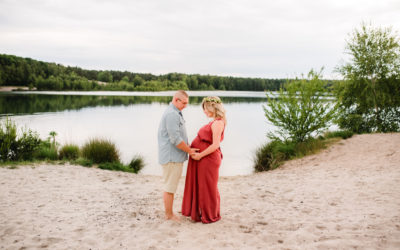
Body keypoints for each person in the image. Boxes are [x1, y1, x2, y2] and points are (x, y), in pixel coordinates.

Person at [181, 96, 226, 223]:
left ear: (213, 107)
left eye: (205, 109)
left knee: (208, 188)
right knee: (202, 187)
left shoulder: (218, 123)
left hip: (208, 159)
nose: (204, 111)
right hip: (203, 159)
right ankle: (199, 211)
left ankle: (210, 214)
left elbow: (215, 145)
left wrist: (200, 155)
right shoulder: (214, 121)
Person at [158, 90, 198, 221]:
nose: (186, 106)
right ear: (176, 100)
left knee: (170, 185)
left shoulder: (175, 112)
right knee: (170, 187)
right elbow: (175, 139)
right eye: (184, 103)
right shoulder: (172, 114)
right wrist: (190, 151)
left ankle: (169, 213)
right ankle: (169, 215)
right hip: (171, 157)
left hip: (173, 156)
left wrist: (188, 147)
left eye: (187, 103)